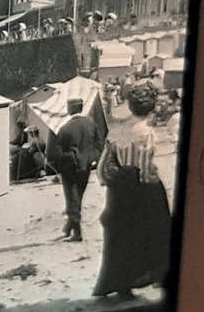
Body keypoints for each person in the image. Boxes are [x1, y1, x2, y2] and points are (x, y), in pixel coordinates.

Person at [92, 141, 172, 297]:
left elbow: (102, 170)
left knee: (120, 238)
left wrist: (116, 179)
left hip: (120, 190)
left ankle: (120, 284)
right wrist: (147, 182)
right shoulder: (144, 132)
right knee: (155, 232)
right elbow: (145, 167)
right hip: (143, 189)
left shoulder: (115, 136)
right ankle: (155, 275)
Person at [52, 96, 99, 241]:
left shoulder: (65, 128)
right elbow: (99, 144)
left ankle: (76, 232)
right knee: (78, 195)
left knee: (72, 198)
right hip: (86, 166)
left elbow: (56, 152)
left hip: (70, 167)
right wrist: (92, 159)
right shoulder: (91, 123)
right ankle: (68, 227)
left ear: (71, 109)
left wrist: (62, 165)